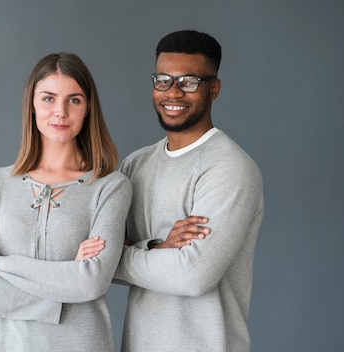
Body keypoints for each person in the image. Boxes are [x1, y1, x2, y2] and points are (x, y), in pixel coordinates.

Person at [0, 52, 132, 352]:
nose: (60, 112)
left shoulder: (110, 187)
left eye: (74, 100)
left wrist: (5, 266)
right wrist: (67, 277)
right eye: (48, 98)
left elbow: (91, 282)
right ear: (32, 105)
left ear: (88, 107)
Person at [113, 30, 265, 352]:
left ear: (214, 89)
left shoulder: (230, 168)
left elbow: (193, 276)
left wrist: (124, 254)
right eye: (163, 80)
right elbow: (97, 262)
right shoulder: (134, 165)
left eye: (189, 82)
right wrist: (157, 248)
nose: (173, 93)